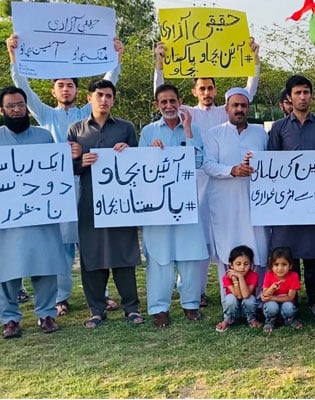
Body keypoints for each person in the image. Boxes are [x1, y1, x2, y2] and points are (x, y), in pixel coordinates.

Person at [6, 33, 124, 315]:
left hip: (87, 181)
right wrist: (14, 57)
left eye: (70, 85)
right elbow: (23, 88)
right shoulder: (45, 116)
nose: (66, 89)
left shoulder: (87, 113)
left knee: (91, 241)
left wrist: (117, 57)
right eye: (61, 85)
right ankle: (61, 297)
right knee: (61, 246)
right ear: (54, 91)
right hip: (55, 189)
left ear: (77, 90)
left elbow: (108, 84)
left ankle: (101, 293)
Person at [153, 38, 260, 307]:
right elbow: (162, 95)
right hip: (195, 184)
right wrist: (159, 64)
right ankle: (195, 291)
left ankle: (243, 288)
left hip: (223, 187)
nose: (207, 92)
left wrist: (254, 60)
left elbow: (249, 90)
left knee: (231, 236)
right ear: (194, 91)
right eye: (202, 87)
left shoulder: (226, 115)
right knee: (198, 243)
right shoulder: (188, 112)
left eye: (211, 87)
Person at [0, 86, 76, 338]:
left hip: (41, 215)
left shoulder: (44, 137)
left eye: (20, 104)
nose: (16, 109)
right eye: (11, 105)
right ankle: (10, 319)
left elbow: (56, 169)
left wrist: (72, 155)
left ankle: (46, 314)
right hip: (7, 220)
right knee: (6, 269)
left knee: (45, 265)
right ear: (2, 110)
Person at [68, 79, 144, 328]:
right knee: (92, 257)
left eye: (109, 96)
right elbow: (65, 168)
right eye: (99, 95)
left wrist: (128, 151)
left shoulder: (126, 128)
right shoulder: (76, 130)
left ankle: (131, 308)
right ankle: (97, 310)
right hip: (89, 203)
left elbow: (141, 165)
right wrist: (80, 164)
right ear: (89, 98)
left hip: (121, 204)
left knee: (124, 254)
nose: (104, 100)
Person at [139, 84, 208, 327]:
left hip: (186, 203)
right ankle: (159, 309)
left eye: (172, 101)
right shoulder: (148, 132)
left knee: (189, 257)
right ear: (157, 105)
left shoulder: (193, 129)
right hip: (157, 206)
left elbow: (199, 161)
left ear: (180, 102)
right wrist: (151, 153)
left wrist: (188, 132)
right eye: (163, 102)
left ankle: (190, 305)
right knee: (159, 258)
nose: (169, 106)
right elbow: (138, 168)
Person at [268, 75, 315, 317]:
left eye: (306, 92)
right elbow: (271, 167)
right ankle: (289, 301)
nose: (302, 97)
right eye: (298, 93)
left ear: (312, 95)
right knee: (288, 253)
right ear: (289, 97)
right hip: (288, 204)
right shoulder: (278, 128)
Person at [203, 87, 270, 306]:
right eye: (235, 105)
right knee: (227, 248)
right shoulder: (214, 133)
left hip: (256, 202)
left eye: (243, 105)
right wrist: (233, 170)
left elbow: (272, 164)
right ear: (226, 108)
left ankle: (257, 300)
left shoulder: (260, 133)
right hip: (225, 203)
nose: (239, 109)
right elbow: (209, 165)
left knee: (259, 247)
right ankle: (230, 301)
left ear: (249, 108)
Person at [216, 246, 261, 332]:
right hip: (233, 307)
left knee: (250, 299)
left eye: (246, 264)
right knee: (230, 299)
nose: (242, 267)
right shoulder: (227, 277)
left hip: (247, 307)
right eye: (238, 264)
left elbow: (245, 295)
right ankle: (228, 319)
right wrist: (234, 280)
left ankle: (251, 319)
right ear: (231, 265)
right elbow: (238, 296)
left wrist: (240, 277)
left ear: (251, 264)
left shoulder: (254, 276)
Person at [260, 247, 303, 333]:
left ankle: (288, 320)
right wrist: (271, 289)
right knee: (271, 306)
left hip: (286, 303)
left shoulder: (294, 276)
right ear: (271, 265)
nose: (280, 268)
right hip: (272, 304)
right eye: (276, 264)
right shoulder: (269, 275)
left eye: (284, 264)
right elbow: (265, 295)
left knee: (289, 307)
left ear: (290, 265)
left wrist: (273, 298)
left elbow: (290, 298)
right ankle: (270, 321)